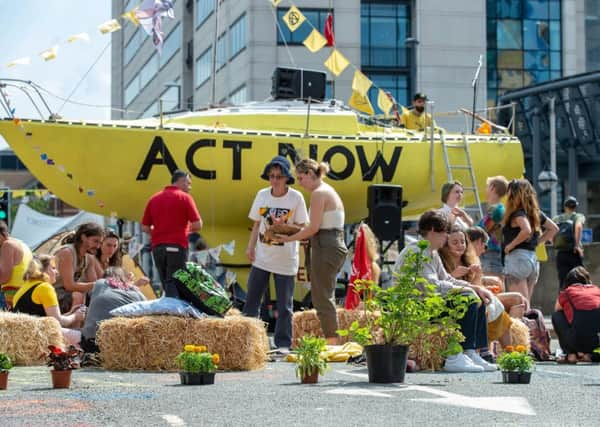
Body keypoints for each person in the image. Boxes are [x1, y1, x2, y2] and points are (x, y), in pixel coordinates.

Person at [394, 210, 496, 372]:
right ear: (433, 231)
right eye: (445, 233)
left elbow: (447, 279)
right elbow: (432, 286)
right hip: (416, 308)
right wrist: (465, 290)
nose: (447, 237)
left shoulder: (431, 252)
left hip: (427, 303)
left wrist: (475, 287)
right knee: (468, 299)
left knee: (476, 297)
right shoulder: (417, 252)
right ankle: (455, 356)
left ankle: (472, 351)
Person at [274, 159, 348, 345]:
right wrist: (289, 228)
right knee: (323, 294)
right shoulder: (326, 191)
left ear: (309, 173)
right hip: (329, 243)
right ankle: (332, 339)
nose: (299, 183)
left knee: (322, 296)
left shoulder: (319, 193)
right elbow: (313, 227)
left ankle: (332, 341)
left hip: (326, 245)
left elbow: (313, 228)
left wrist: (288, 238)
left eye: (300, 177)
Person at [243, 156, 309, 350]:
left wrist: (284, 225)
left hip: (286, 259)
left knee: (285, 306)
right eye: (271, 176)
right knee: (252, 301)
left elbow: (302, 227)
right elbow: (256, 224)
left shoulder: (296, 198)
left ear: (287, 178)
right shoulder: (262, 194)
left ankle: (282, 343)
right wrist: (250, 247)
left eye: (279, 176)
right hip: (262, 257)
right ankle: (247, 340)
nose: (274, 180)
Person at [142, 170, 202, 298]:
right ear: (181, 181)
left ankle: (169, 312)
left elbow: (144, 227)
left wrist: (158, 233)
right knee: (176, 283)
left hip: (158, 247)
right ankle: (175, 314)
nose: (189, 188)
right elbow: (198, 225)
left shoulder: (154, 198)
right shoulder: (185, 198)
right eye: (188, 184)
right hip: (177, 245)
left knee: (166, 283)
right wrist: (184, 230)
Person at [502, 179, 558, 301]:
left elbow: (526, 230)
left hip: (518, 258)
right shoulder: (536, 213)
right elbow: (554, 228)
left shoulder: (518, 214)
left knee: (520, 303)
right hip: (532, 258)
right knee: (526, 302)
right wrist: (537, 242)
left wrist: (510, 246)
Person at [12, 255, 86, 346]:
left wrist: (70, 313)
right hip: (39, 338)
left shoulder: (23, 288)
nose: (57, 272)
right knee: (86, 339)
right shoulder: (45, 287)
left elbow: (47, 318)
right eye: (53, 268)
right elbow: (57, 321)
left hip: (22, 339)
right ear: (44, 270)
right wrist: (75, 316)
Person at [81, 267, 146, 353]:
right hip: (131, 345)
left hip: (95, 344)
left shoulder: (100, 283)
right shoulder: (138, 292)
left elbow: (93, 308)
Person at [552, 266, 600, 364]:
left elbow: (557, 310)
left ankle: (571, 354)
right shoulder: (596, 290)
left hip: (576, 340)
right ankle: (589, 355)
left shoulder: (566, 292)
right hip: (596, 342)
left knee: (557, 315)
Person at [53, 223, 103, 312]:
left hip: (68, 293)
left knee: (99, 297)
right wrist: (101, 284)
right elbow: (69, 285)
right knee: (78, 295)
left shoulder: (89, 257)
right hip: (52, 292)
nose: (98, 246)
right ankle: (74, 325)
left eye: (100, 243)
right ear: (83, 237)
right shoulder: (67, 252)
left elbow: (93, 283)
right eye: (95, 241)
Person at [478, 176, 508, 278]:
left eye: (487, 186)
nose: (486, 190)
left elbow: (481, 232)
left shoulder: (495, 210)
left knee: (493, 287)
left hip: (490, 254)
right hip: (491, 254)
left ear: (493, 188)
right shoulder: (497, 209)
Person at [553, 196, 585, 289]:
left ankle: (563, 301)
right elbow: (578, 227)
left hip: (561, 253)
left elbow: (552, 231)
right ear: (575, 207)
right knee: (579, 278)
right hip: (574, 252)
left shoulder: (557, 218)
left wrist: (554, 243)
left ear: (565, 206)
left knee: (563, 280)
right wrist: (577, 245)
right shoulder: (578, 216)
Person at [0, 220, 33, 310]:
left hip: (12, 298)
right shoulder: (21, 243)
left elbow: (4, 278)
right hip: (25, 294)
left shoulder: (7, 245)